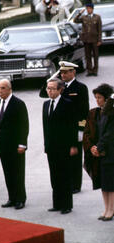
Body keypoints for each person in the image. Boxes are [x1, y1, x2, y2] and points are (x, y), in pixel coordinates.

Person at [40, 61, 89, 194]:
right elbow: (42, 93)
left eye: (66, 72)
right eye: (61, 72)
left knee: (74, 158)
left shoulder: (80, 88)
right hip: (61, 130)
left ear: (73, 72)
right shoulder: (58, 86)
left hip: (74, 127)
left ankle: (75, 184)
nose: (63, 74)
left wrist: (80, 129)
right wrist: (52, 77)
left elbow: (84, 110)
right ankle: (66, 184)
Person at [42, 78, 78, 214]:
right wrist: (46, 145)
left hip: (64, 146)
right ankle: (57, 203)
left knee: (65, 175)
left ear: (60, 90)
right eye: (48, 88)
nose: (49, 91)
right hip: (52, 147)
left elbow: (72, 126)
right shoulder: (46, 104)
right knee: (54, 175)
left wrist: (73, 145)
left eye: (52, 88)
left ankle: (66, 204)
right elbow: (46, 127)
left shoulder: (67, 104)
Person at [0, 79, 29, 210]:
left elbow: (24, 125)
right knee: (8, 172)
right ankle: (11, 197)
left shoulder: (18, 104)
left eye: (3, 88)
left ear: (9, 89)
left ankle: (20, 198)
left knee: (18, 172)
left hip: (16, 145)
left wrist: (22, 144)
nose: (0, 91)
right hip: (3, 146)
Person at [83, 84, 114, 220]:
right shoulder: (94, 112)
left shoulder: (111, 113)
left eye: (100, 97)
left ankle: (111, 210)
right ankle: (106, 208)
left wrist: (99, 148)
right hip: (97, 152)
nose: (97, 100)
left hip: (109, 152)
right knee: (102, 182)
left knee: (110, 183)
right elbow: (87, 132)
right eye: (96, 97)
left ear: (107, 99)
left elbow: (109, 134)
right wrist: (92, 148)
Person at [73, 2, 102, 76]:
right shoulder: (84, 17)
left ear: (92, 9)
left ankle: (95, 71)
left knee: (95, 56)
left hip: (95, 40)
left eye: (89, 8)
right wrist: (80, 13)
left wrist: (99, 40)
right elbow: (75, 21)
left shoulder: (97, 17)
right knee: (87, 56)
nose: (88, 10)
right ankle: (89, 71)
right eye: (87, 9)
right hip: (86, 40)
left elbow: (99, 29)